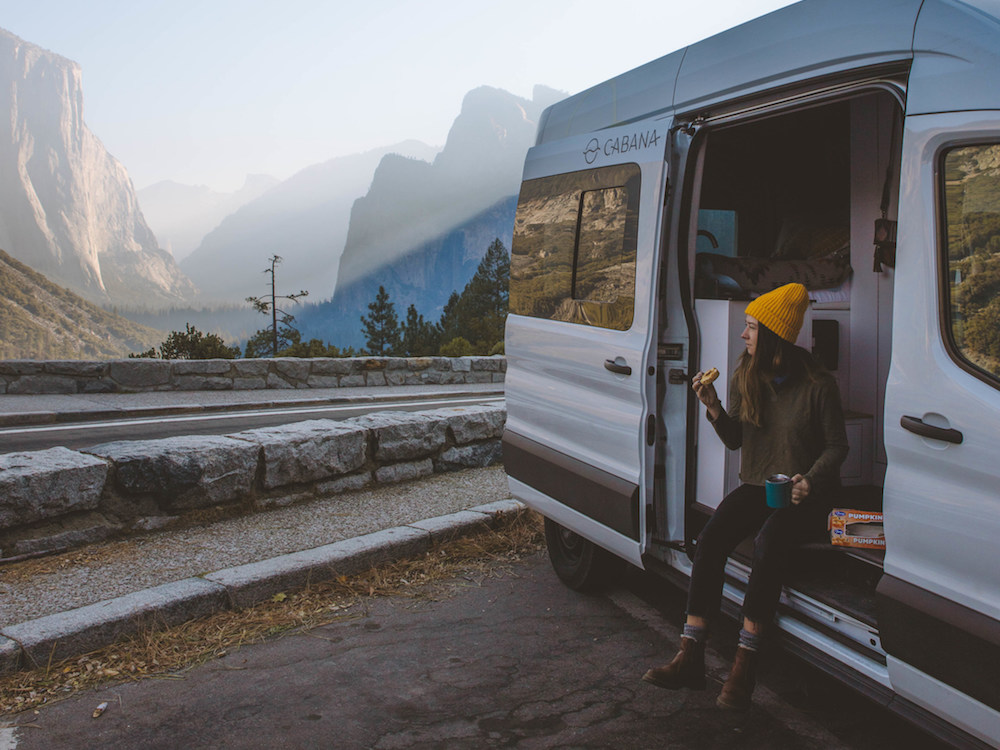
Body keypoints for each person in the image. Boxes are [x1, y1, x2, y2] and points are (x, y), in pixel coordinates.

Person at [642, 282, 848, 709]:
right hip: (758, 484)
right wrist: (713, 405)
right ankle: (691, 654)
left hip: (802, 495)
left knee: (768, 541)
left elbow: (837, 447)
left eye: (751, 327)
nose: (743, 334)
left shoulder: (818, 385)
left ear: (773, 334)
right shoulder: (744, 375)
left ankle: (745, 665)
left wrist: (810, 479)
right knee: (714, 534)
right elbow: (735, 439)